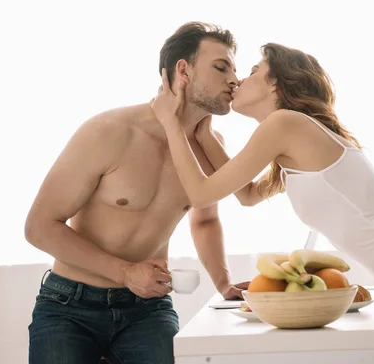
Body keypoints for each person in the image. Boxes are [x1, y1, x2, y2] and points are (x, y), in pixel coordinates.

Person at [151, 42, 374, 364]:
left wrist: (171, 124)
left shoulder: (285, 124)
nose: (241, 78)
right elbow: (247, 196)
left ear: (276, 84)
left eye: (255, 70)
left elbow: (200, 194)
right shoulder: (293, 137)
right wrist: (203, 134)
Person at [24, 21, 249, 364]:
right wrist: (126, 273)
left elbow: (205, 221)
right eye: (221, 67)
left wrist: (225, 283)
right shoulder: (110, 132)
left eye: (235, 69)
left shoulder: (208, 146)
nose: (234, 80)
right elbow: (39, 226)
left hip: (147, 310)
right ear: (183, 70)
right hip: (69, 307)